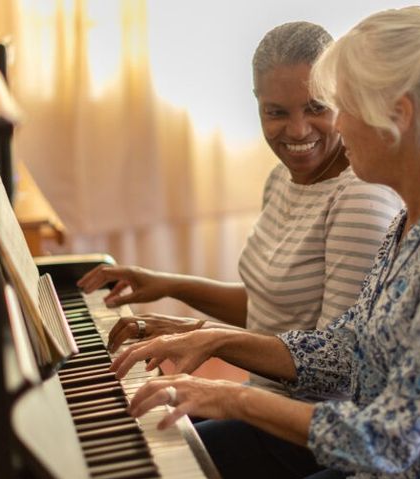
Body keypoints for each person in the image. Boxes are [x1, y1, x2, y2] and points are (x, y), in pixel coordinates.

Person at [108, 7, 420, 479]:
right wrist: (215, 339)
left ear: (399, 115)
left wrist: (232, 398)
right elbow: (348, 348)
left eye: (342, 107)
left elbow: (386, 438)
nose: (335, 126)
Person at [77, 22, 401, 397]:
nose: (297, 131)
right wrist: (168, 284)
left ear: (343, 100)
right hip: (260, 399)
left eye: (316, 108)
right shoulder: (281, 179)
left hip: (304, 427)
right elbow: (269, 310)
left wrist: (200, 336)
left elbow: (335, 370)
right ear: (257, 102)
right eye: (276, 112)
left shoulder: (360, 199)